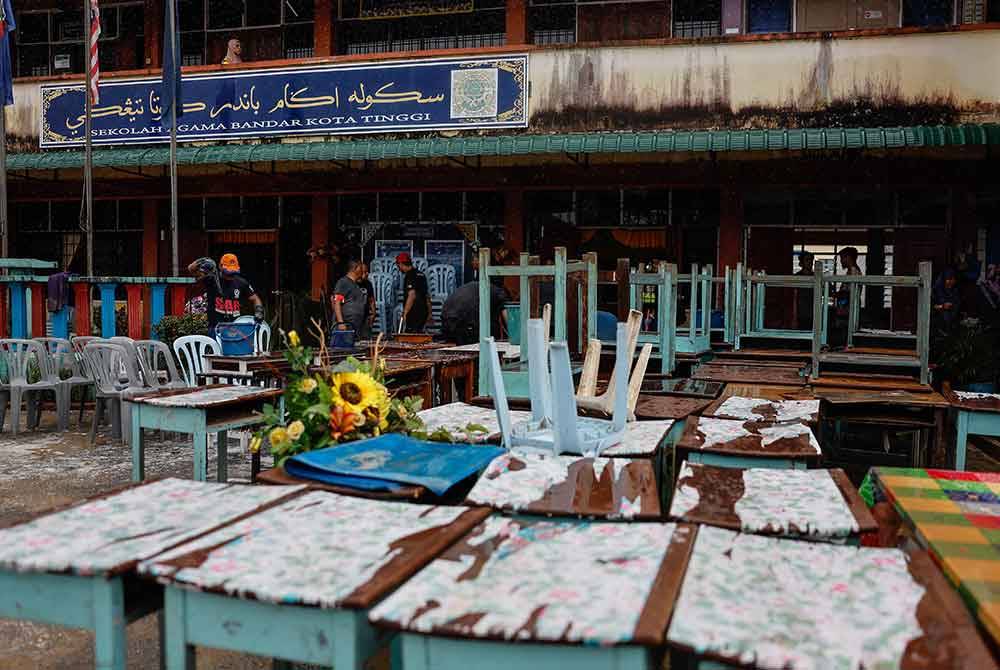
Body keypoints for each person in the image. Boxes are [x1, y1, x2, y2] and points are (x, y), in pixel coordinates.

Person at [188, 253, 263, 338]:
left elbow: (255, 299)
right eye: (228, 272)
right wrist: (200, 262)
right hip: (215, 328)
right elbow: (191, 269)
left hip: (235, 328)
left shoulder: (241, 283)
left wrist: (259, 311)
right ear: (220, 267)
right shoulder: (210, 279)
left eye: (233, 273)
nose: (230, 276)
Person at [441, 280, 510, 345]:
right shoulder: (500, 293)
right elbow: (508, 320)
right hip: (464, 319)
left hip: (446, 317)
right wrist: (515, 337)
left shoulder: (480, 286)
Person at [331, 260, 371, 338]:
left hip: (355, 327)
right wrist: (341, 323)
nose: (362, 270)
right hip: (345, 327)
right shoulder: (343, 282)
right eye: (360, 268)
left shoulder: (356, 284)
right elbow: (337, 302)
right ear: (355, 269)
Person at [396, 252, 430, 333]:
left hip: (414, 312)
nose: (398, 268)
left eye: (398, 265)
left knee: (410, 337)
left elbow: (412, 295)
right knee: (419, 336)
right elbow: (427, 296)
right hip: (423, 311)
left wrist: (405, 313)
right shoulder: (421, 275)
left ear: (401, 264)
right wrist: (429, 313)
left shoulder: (410, 275)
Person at [794, 251, 815, 331]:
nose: (810, 262)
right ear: (801, 263)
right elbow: (795, 297)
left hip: (814, 312)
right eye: (807, 260)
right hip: (801, 313)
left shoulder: (816, 276)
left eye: (811, 260)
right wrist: (794, 317)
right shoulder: (797, 277)